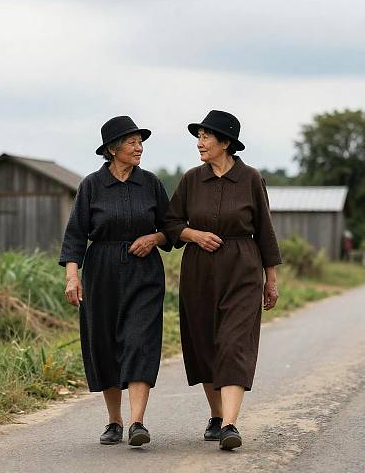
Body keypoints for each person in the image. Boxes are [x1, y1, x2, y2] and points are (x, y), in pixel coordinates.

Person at [164, 110, 282, 450]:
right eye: (198, 137)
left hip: (243, 267)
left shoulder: (250, 178)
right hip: (199, 270)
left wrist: (270, 280)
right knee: (205, 343)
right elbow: (170, 224)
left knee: (234, 342)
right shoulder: (190, 179)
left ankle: (230, 425)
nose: (199, 143)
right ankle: (216, 414)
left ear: (225, 143)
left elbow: (265, 231)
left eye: (205, 137)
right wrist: (195, 235)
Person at [59, 115, 171, 446]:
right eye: (132, 142)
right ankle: (114, 421)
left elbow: (172, 228)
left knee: (140, 340)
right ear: (112, 149)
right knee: (104, 343)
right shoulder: (91, 185)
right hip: (101, 271)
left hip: (144, 271)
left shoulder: (151, 183)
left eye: (141, 142)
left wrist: (155, 239)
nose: (139, 148)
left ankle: (137, 422)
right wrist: (71, 277)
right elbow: (75, 236)